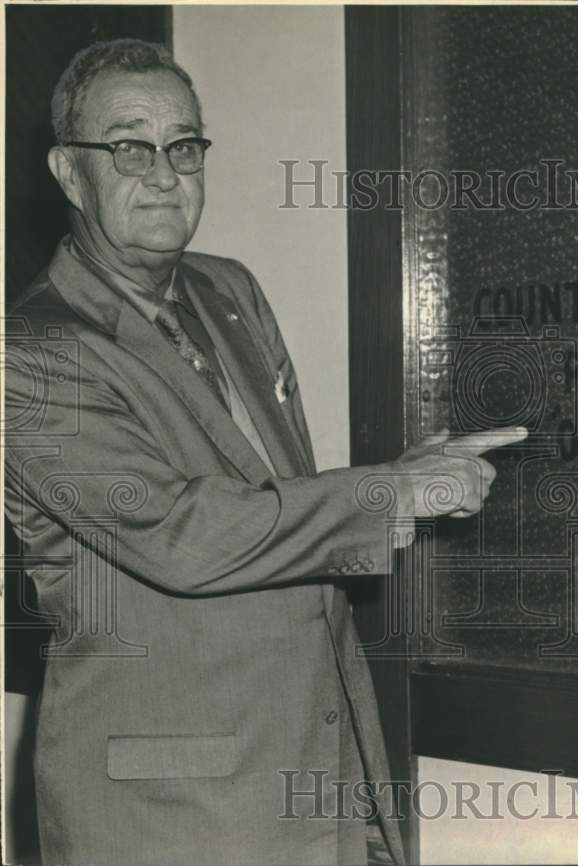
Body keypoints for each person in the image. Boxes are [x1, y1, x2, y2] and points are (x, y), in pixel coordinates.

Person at [4, 39, 525, 866]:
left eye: (185, 146)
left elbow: (265, 500)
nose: (166, 174)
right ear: (71, 174)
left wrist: (405, 472)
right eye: (131, 147)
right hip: (168, 813)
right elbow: (185, 536)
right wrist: (389, 492)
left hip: (313, 765)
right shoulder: (30, 355)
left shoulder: (228, 291)